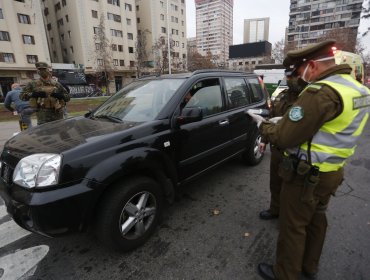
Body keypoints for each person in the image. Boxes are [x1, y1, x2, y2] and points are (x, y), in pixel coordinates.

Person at [247, 40, 370, 280]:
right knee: (316, 219)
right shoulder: (359, 90)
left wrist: (265, 128)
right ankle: (309, 267)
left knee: (293, 225)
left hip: (306, 174)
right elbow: (328, 127)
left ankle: (285, 274)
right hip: (333, 170)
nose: (299, 75)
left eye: (300, 69)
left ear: (312, 65)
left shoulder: (320, 92)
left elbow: (285, 137)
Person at [258, 67, 306, 220]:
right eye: (288, 76)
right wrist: (264, 141)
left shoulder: (308, 98)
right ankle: (275, 209)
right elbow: (270, 119)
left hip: (295, 153)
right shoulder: (282, 96)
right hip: (277, 150)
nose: (291, 79)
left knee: (291, 189)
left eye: (294, 76)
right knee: (275, 183)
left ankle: (288, 217)